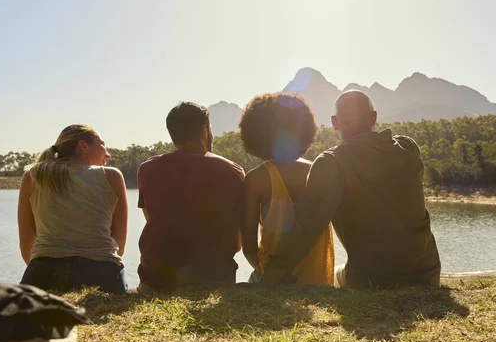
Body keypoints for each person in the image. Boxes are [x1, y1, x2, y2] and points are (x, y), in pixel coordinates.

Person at [262, 90, 441, 289]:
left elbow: (305, 226)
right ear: (374, 118)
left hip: (375, 280)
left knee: (338, 276)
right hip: (428, 275)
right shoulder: (408, 147)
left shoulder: (332, 162)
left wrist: (271, 274)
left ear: (334, 123)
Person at [137, 102, 245, 291]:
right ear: (204, 130)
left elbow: (153, 219)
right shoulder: (232, 171)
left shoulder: (147, 169)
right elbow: (237, 238)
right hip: (213, 274)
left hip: (158, 275)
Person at [18, 124, 128, 294]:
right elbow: (119, 245)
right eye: (102, 144)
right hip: (102, 273)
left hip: (44, 272)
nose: (108, 153)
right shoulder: (112, 176)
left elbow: (26, 242)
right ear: (83, 146)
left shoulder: (32, 176)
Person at [239, 92, 334, 285]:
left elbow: (248, 248)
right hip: (317, 280)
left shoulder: (256, 180)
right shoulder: (318, 171)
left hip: (273, 280)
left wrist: (268, 274)